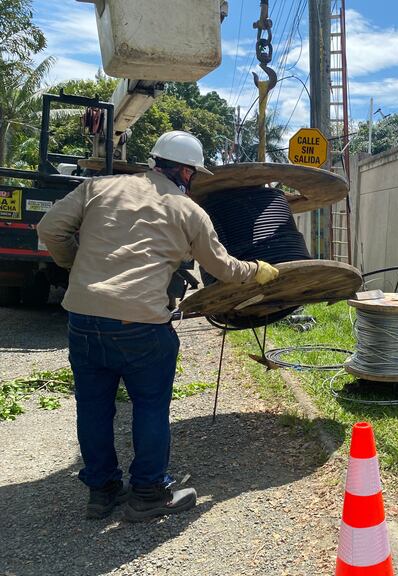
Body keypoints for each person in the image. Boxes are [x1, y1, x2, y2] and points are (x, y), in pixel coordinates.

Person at [37, 130, 279, 522]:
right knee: (150, 407)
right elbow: (224, 268)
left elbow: (49, 228)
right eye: (194, 174)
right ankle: (148, 492)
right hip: (141, 326)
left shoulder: (101, 187)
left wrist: (72, 265)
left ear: (155, 161)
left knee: (93, 407)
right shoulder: (188, 211)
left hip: (83, 320)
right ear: (185, 171)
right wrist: (259, 271)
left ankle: (101, 492)